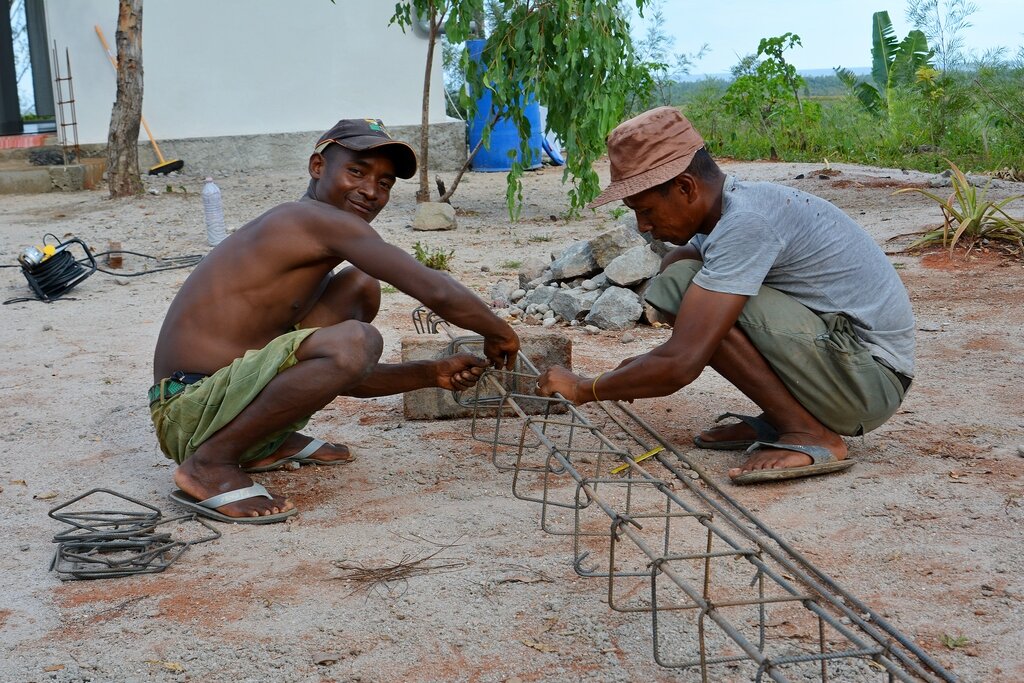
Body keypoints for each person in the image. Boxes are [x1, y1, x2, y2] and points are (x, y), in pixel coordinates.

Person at [151, 118, 520, 522]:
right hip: (187, 408)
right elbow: (433, 288)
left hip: (222, 394)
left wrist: (432, 373)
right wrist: (499, 332)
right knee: (355, 341)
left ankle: (263, 440)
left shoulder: (317, 227)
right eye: (357, 172)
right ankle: (210, 464)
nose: (370, 191)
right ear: (317, 167)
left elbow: (334, 376)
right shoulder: (312, 220)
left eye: (385, 183)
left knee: (361, 285)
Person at [537, 106, 914, 484]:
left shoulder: (748, 222)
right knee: (681, 269)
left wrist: (585, 387)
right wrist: (647, 364)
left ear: (686, 187)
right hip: (849, 368)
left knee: (686, 286)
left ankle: (810, 432)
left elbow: (682, 363)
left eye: (647, 209)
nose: (644, 226)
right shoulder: (730, 210)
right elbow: (686, 324)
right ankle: (785, 419)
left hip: (868, 382)